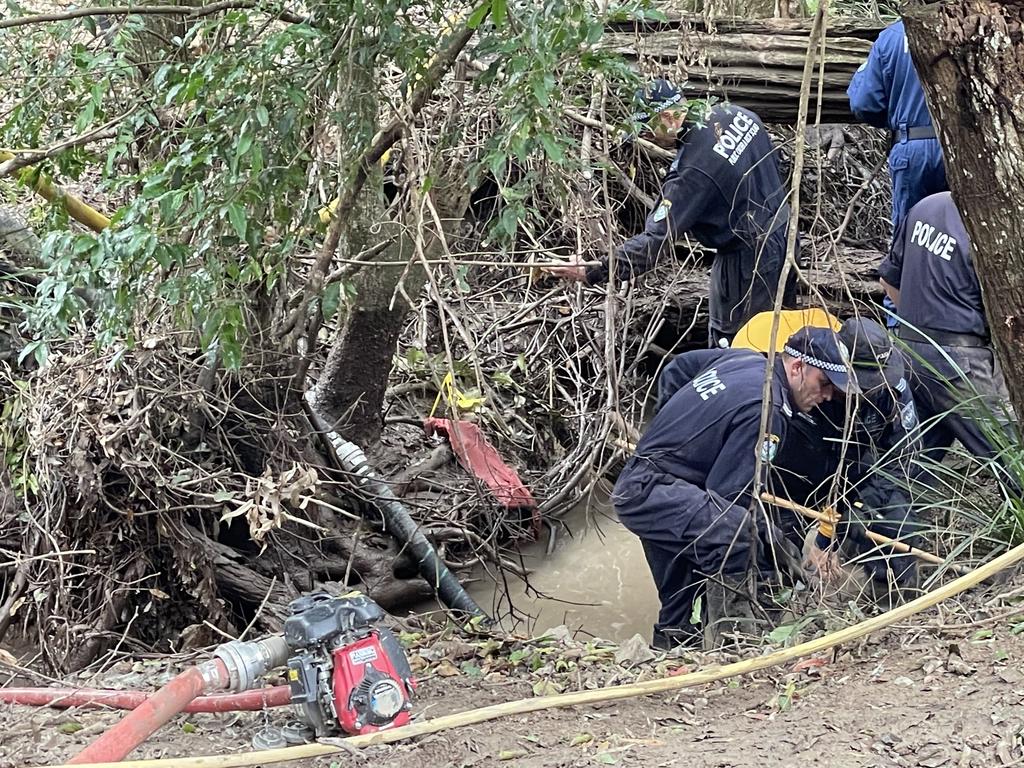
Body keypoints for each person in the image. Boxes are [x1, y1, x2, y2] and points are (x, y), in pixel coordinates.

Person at [616, 326, 860, 650]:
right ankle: (733, 645)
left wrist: (674, 431)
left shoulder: (746, 359)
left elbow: (681, 368)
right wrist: (781, 550)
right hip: (655, 491)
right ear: (798, 367)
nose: (828, 396)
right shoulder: (767, 412)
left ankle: (668, 661)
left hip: (657, 488)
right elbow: (731, 502)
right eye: (824, 383)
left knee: (679, 602)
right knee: (735, 533)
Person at [545, 80, 797, 348]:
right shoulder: (737, 114)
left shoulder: (692, 173)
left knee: (739, 345)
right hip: (786, 232)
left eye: (647, 127)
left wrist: (595, 270)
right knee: (782, 331)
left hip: (747, 261)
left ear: (668, 117)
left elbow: (655, 241)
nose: (647, 136)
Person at [878, 191, 1018, 463]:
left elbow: (888, 281)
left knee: (908, 468)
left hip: (909, 352)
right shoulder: (994, 224)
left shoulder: (926, 206)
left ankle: (869, 506)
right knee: (1013, 458)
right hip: (961, 364)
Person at [847, 20, 948, 233]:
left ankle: (906, 266)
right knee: (961, 230)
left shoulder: (891, 36)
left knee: (908, 232)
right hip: (960, 149)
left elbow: (864, 103)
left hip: (910, 146)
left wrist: (895, 122)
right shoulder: (966, 29)